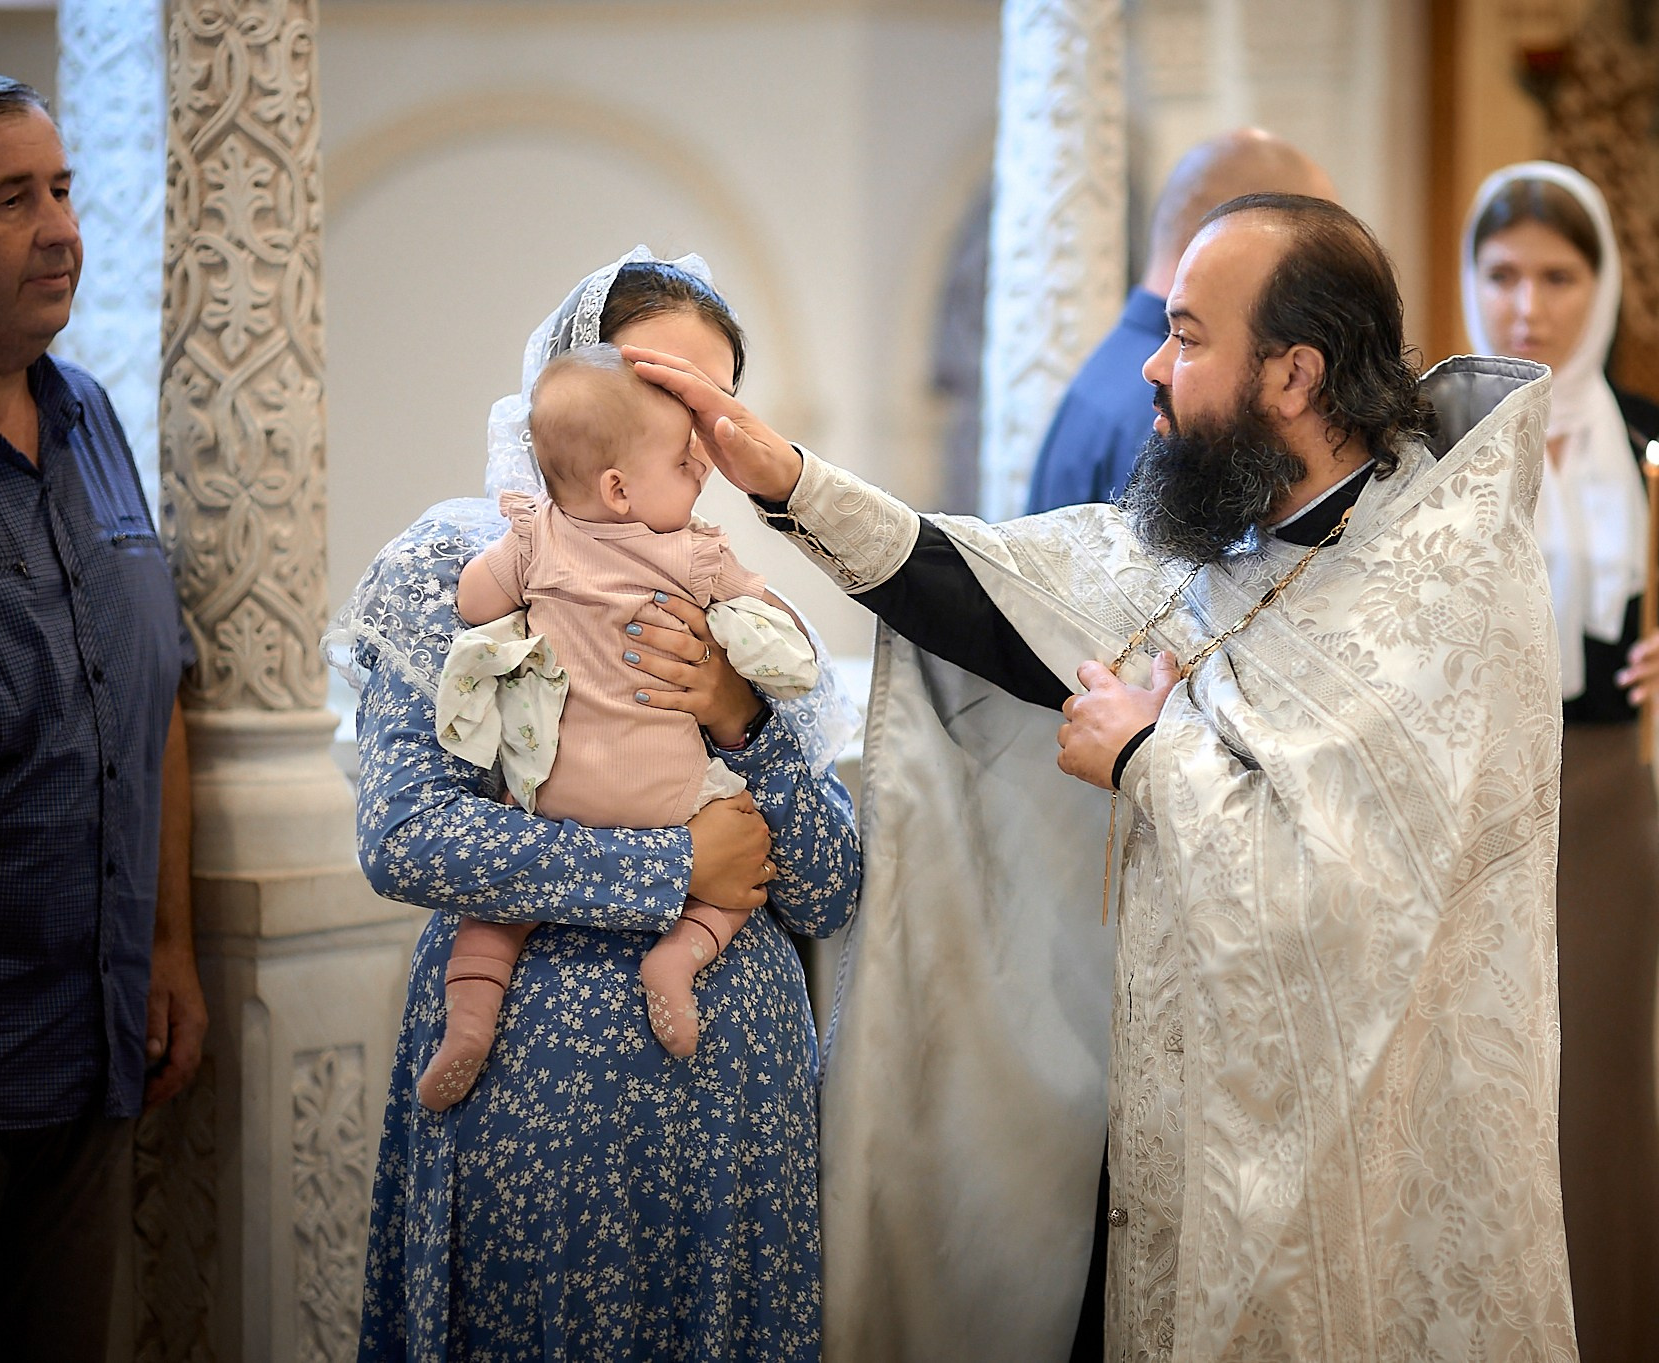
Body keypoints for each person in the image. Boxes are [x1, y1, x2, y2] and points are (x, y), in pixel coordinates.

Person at [634, 194, 1577, 1362]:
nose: (1150, 366)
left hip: (1360, 1146)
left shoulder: (1438, 588)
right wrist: (777, 476)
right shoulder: (1230, 537)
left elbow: (1357, 895)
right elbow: (993, 595)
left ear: (1291, 374)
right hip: (1176, 1120)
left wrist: (1147, 753)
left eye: (1185, 335)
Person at [337, 248, 861, 1361]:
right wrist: (670, 871)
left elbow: (824, 885)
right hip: (529, 1082)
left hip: (731, 1100)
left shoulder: (725, 583)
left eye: (705, 408)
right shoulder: (459, 561)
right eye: (656, 386)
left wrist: (739, 718)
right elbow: (404, 832)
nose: (683, 431)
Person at [0, 68, 204, 1361]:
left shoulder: (87, 416)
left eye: (65, 191)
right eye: (13, 199)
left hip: (94, 1041)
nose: (62, 227)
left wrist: (172, 940)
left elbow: (154, 687)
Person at [1463, 160, 1659, 1363]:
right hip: (1468, 798)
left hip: (1608, 797)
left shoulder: (1651, 437)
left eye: (1557, 276)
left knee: (1598, 1094)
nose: (1528, 304)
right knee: (1475, 1090)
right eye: (1503, 273)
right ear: (1471, 282)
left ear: (1599, 283)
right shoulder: (1442, 434)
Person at [417, 344, 820, 1106]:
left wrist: (519, 570)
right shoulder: (695, 555)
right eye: (683, 458)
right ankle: (678, 956)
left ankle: (468, 1019)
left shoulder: (537, 538)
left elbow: (474, 602)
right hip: (670, 800)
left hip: (553, 793)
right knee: (739, 866)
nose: (702, 463)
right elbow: (773, 621)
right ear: (620, 487)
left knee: (493, 920)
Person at [1023, 128, 1336, 513]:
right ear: (1237, 233)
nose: (1156, 367)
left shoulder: (1113, 364)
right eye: (1313, 241)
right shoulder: (1186, 405)